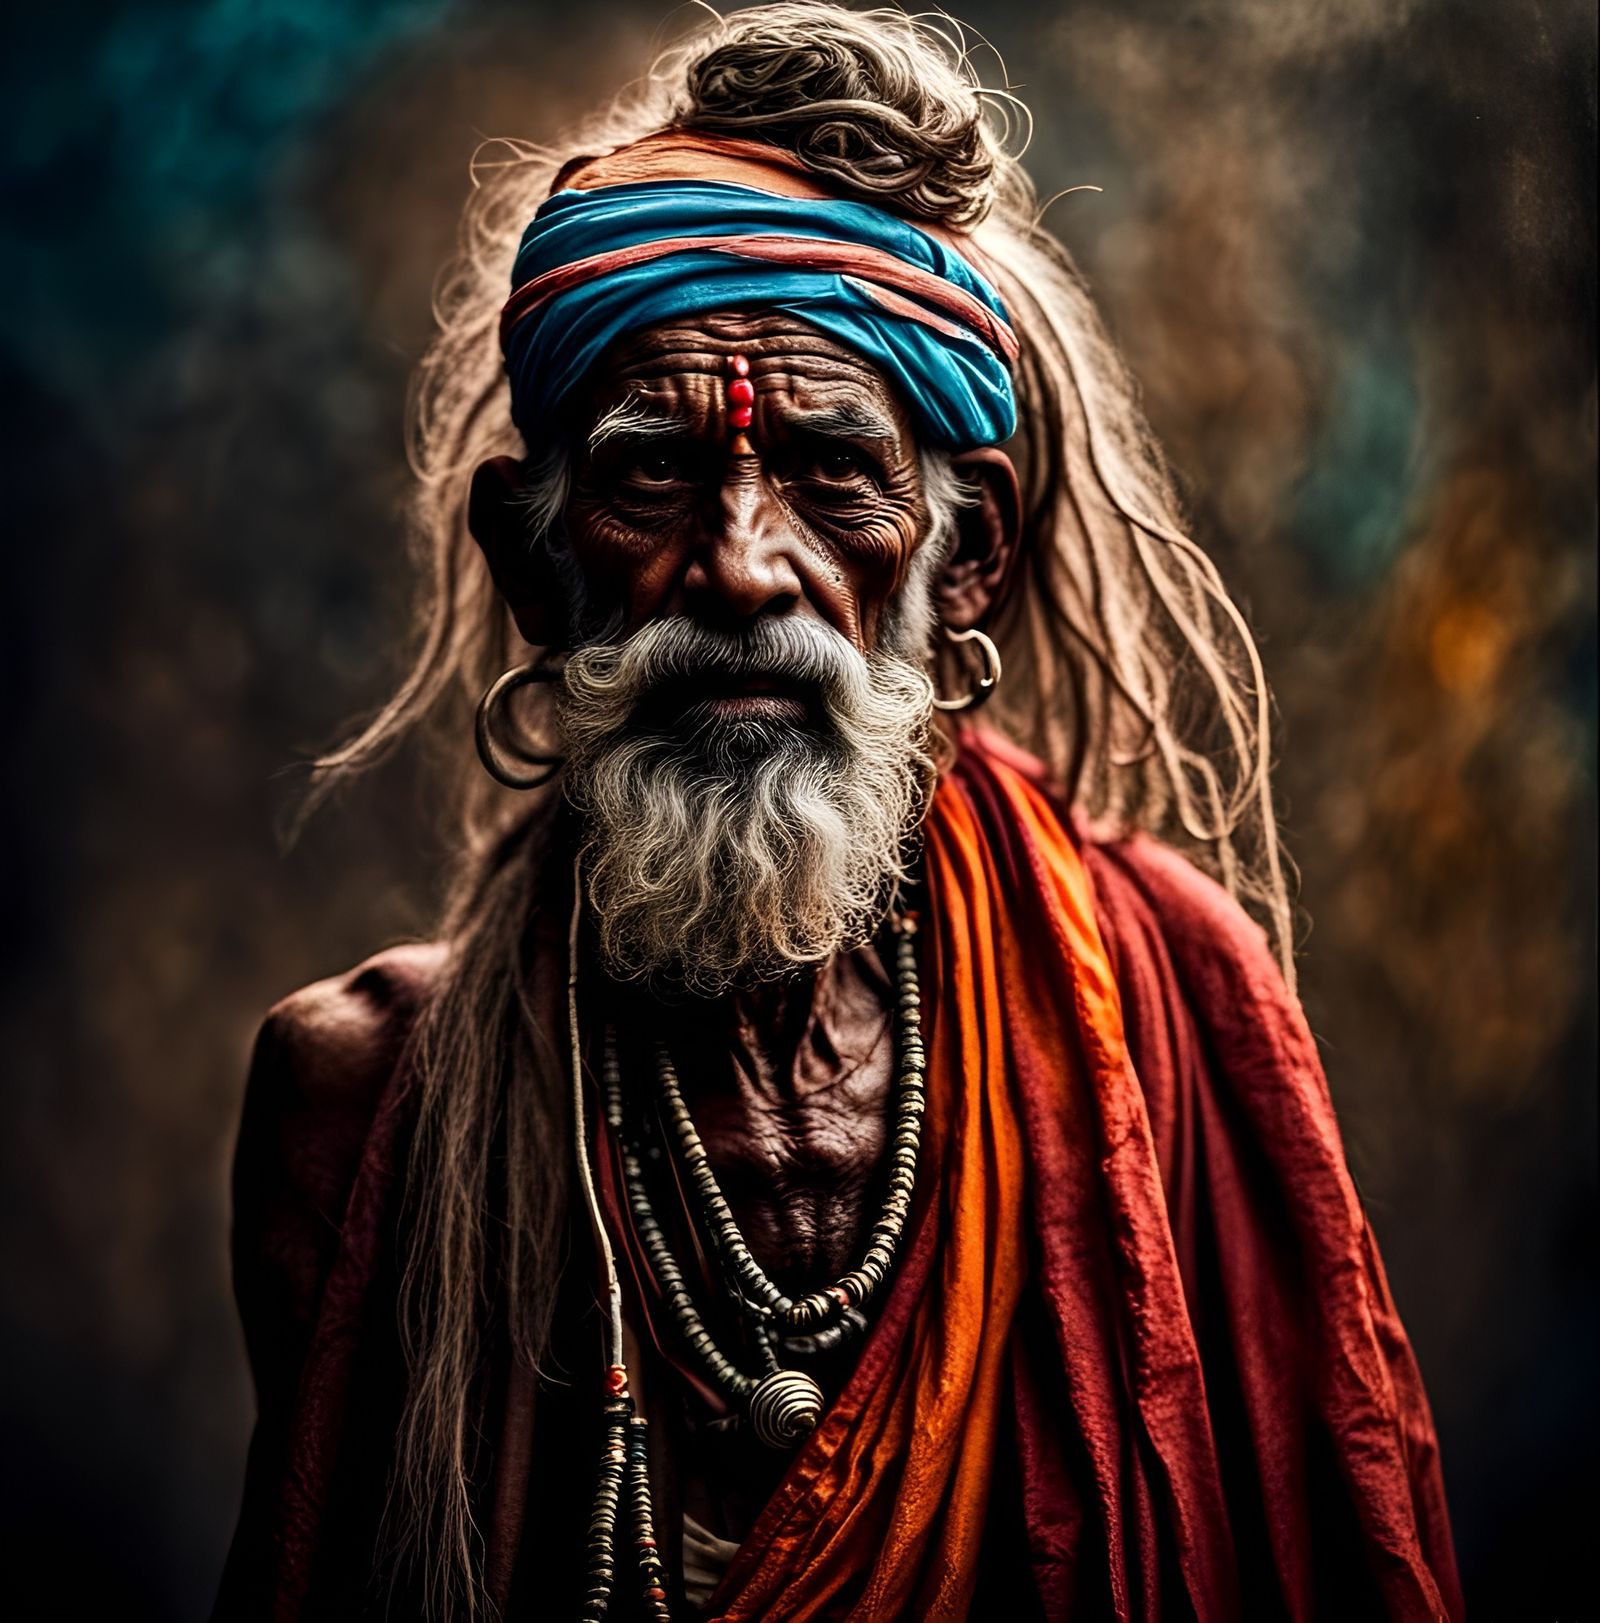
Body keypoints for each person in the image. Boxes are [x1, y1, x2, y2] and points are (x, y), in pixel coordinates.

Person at [213, 6, 1461, 1619]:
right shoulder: (365, 1101)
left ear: (971, 562)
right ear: (538, 564)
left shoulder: (1173, 1014)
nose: (741, 563)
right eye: (650, 472)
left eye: (830, 473)